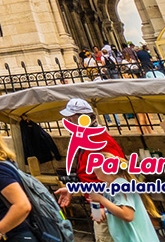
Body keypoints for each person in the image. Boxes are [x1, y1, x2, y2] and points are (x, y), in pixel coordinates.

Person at [55, 98, 124, 242]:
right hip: (98, 203)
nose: (68, 121)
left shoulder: (99, 140)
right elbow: (87, 173)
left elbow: (117, 176)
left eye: (71, 117)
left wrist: (104, 206)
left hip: (106, 207)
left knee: (105, 237)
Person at [87, 153, 159, 242]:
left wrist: (101, 200)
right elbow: (117, 208)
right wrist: (103, 211)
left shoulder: (119, 185)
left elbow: (128, 215)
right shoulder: (109, 187)